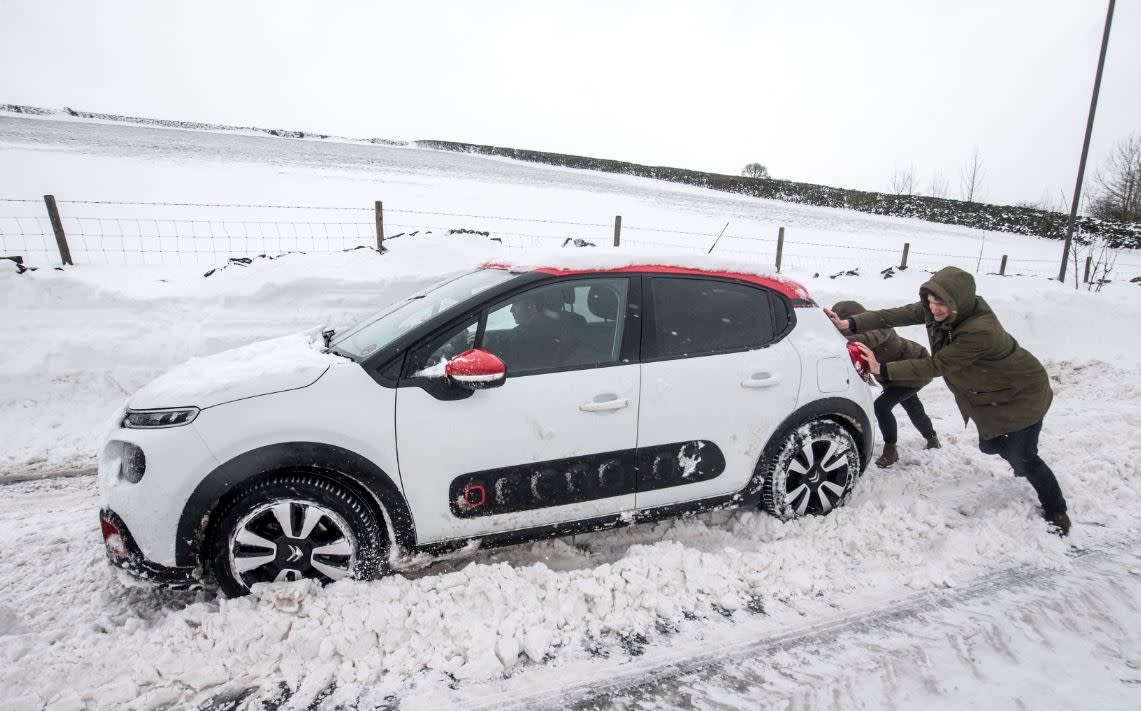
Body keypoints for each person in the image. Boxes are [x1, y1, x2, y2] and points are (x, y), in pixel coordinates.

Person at [824, 266, 1071, 536]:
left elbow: (936, 365)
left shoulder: (980, 332)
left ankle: (1056, 509)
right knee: (989, 446)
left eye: (940, 303)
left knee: (1024, 456)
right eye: (930, 303)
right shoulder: (942, 309)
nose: (934, 309)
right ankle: (1018, 462)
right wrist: (850, 324)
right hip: (992, 394)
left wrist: (881, 369)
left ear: (958, 301)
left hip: (1022, 392)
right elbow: (898, 314)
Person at [830, 300, 940, 467]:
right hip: (893, 376)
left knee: (882, 407)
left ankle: (891, 450)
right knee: (912, 406)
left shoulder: (881, 327)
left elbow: (865, 340)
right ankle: (932, 438)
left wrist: (832, 335)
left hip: (914, 369)